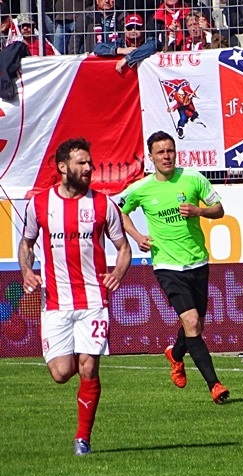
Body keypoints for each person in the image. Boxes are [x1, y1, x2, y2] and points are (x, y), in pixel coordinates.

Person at [17, 137, 132, 455]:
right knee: (61, 373)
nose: (88, 167)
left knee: (88, 368)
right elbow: (26, 244)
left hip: (94, 302)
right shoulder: (40, 205)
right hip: (55, 303)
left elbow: (124, 247)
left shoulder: (102, 204)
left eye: (90, 162)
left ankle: (83, 438)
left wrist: (118, 274)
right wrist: (27, 271)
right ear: (62, 166)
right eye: (81, 162)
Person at [117, 131, 230, 404]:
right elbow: (118, 211)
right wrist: (136, 236)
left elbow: (219, 209)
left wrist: (200, 211)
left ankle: (176, 354)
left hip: (198, 261)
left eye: (170, 151)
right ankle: (215, 386)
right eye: (160, 152)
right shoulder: (141, 189)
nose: (166, 156)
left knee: (196, 325)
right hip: (167, 265)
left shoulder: (193, 179)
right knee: (191, 321)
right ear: (151, 157)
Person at [93, 13, 159, 73]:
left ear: (143, 28)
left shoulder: (150, 41)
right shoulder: (120, 42)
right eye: (129, 28)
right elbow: (98, 48)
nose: (133, 30)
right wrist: (119, 50)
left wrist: (127, 58)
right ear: (124, 30)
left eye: (137, 27)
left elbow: (152, 46)